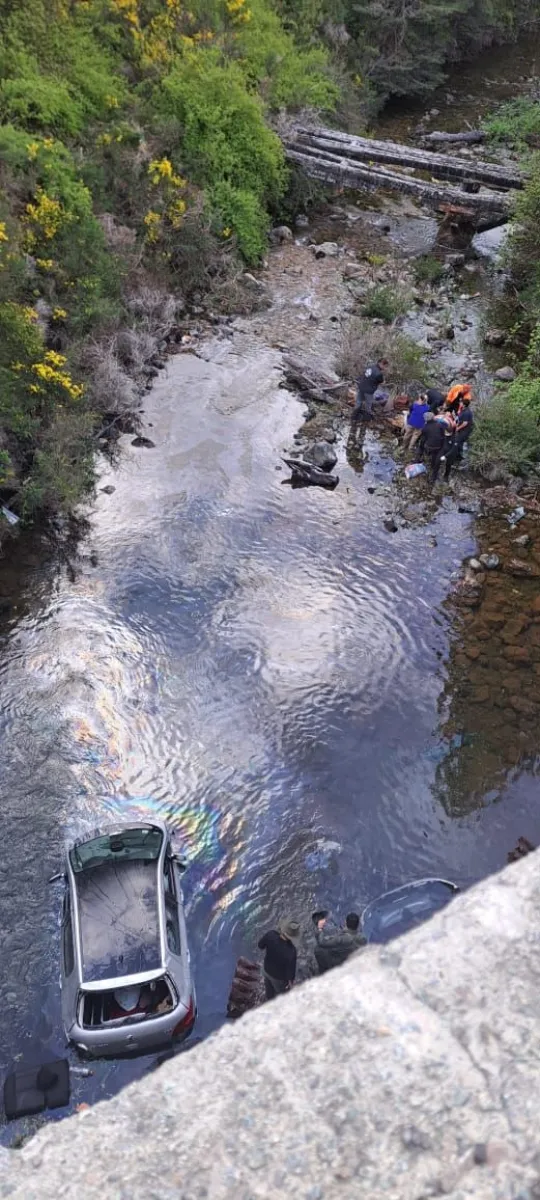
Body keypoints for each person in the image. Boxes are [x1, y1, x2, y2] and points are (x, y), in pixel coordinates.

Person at [258, 917, 300, 1000]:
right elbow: (290, 974)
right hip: (278, 978)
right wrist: (290, 984)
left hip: (265, 969)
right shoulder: (291, 951)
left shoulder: (271, 934)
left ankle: (269, 999)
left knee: (268, 988)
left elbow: (260, 945)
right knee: (282, 994)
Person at [353, 358, 389, 424]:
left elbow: (365, 375)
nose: (384, 368)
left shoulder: (370, 366)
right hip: (368, 391)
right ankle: (366, 418)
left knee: (358, 401)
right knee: (368, 404)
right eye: (384, 366)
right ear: (381, 364)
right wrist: (384, 382)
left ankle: (354, 416)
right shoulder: (379, 374)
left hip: (361, 386)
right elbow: (382, 382)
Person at [417, 412, 445, 481]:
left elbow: (423, 440)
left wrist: (421, 447)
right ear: (433, 418)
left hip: (430, 447)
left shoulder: (425, 427)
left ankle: (419, 459)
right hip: (439, 446)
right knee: (436, 458)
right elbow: (443, 435)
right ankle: (433, 474)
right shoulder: (439, 425)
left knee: (422, 445)